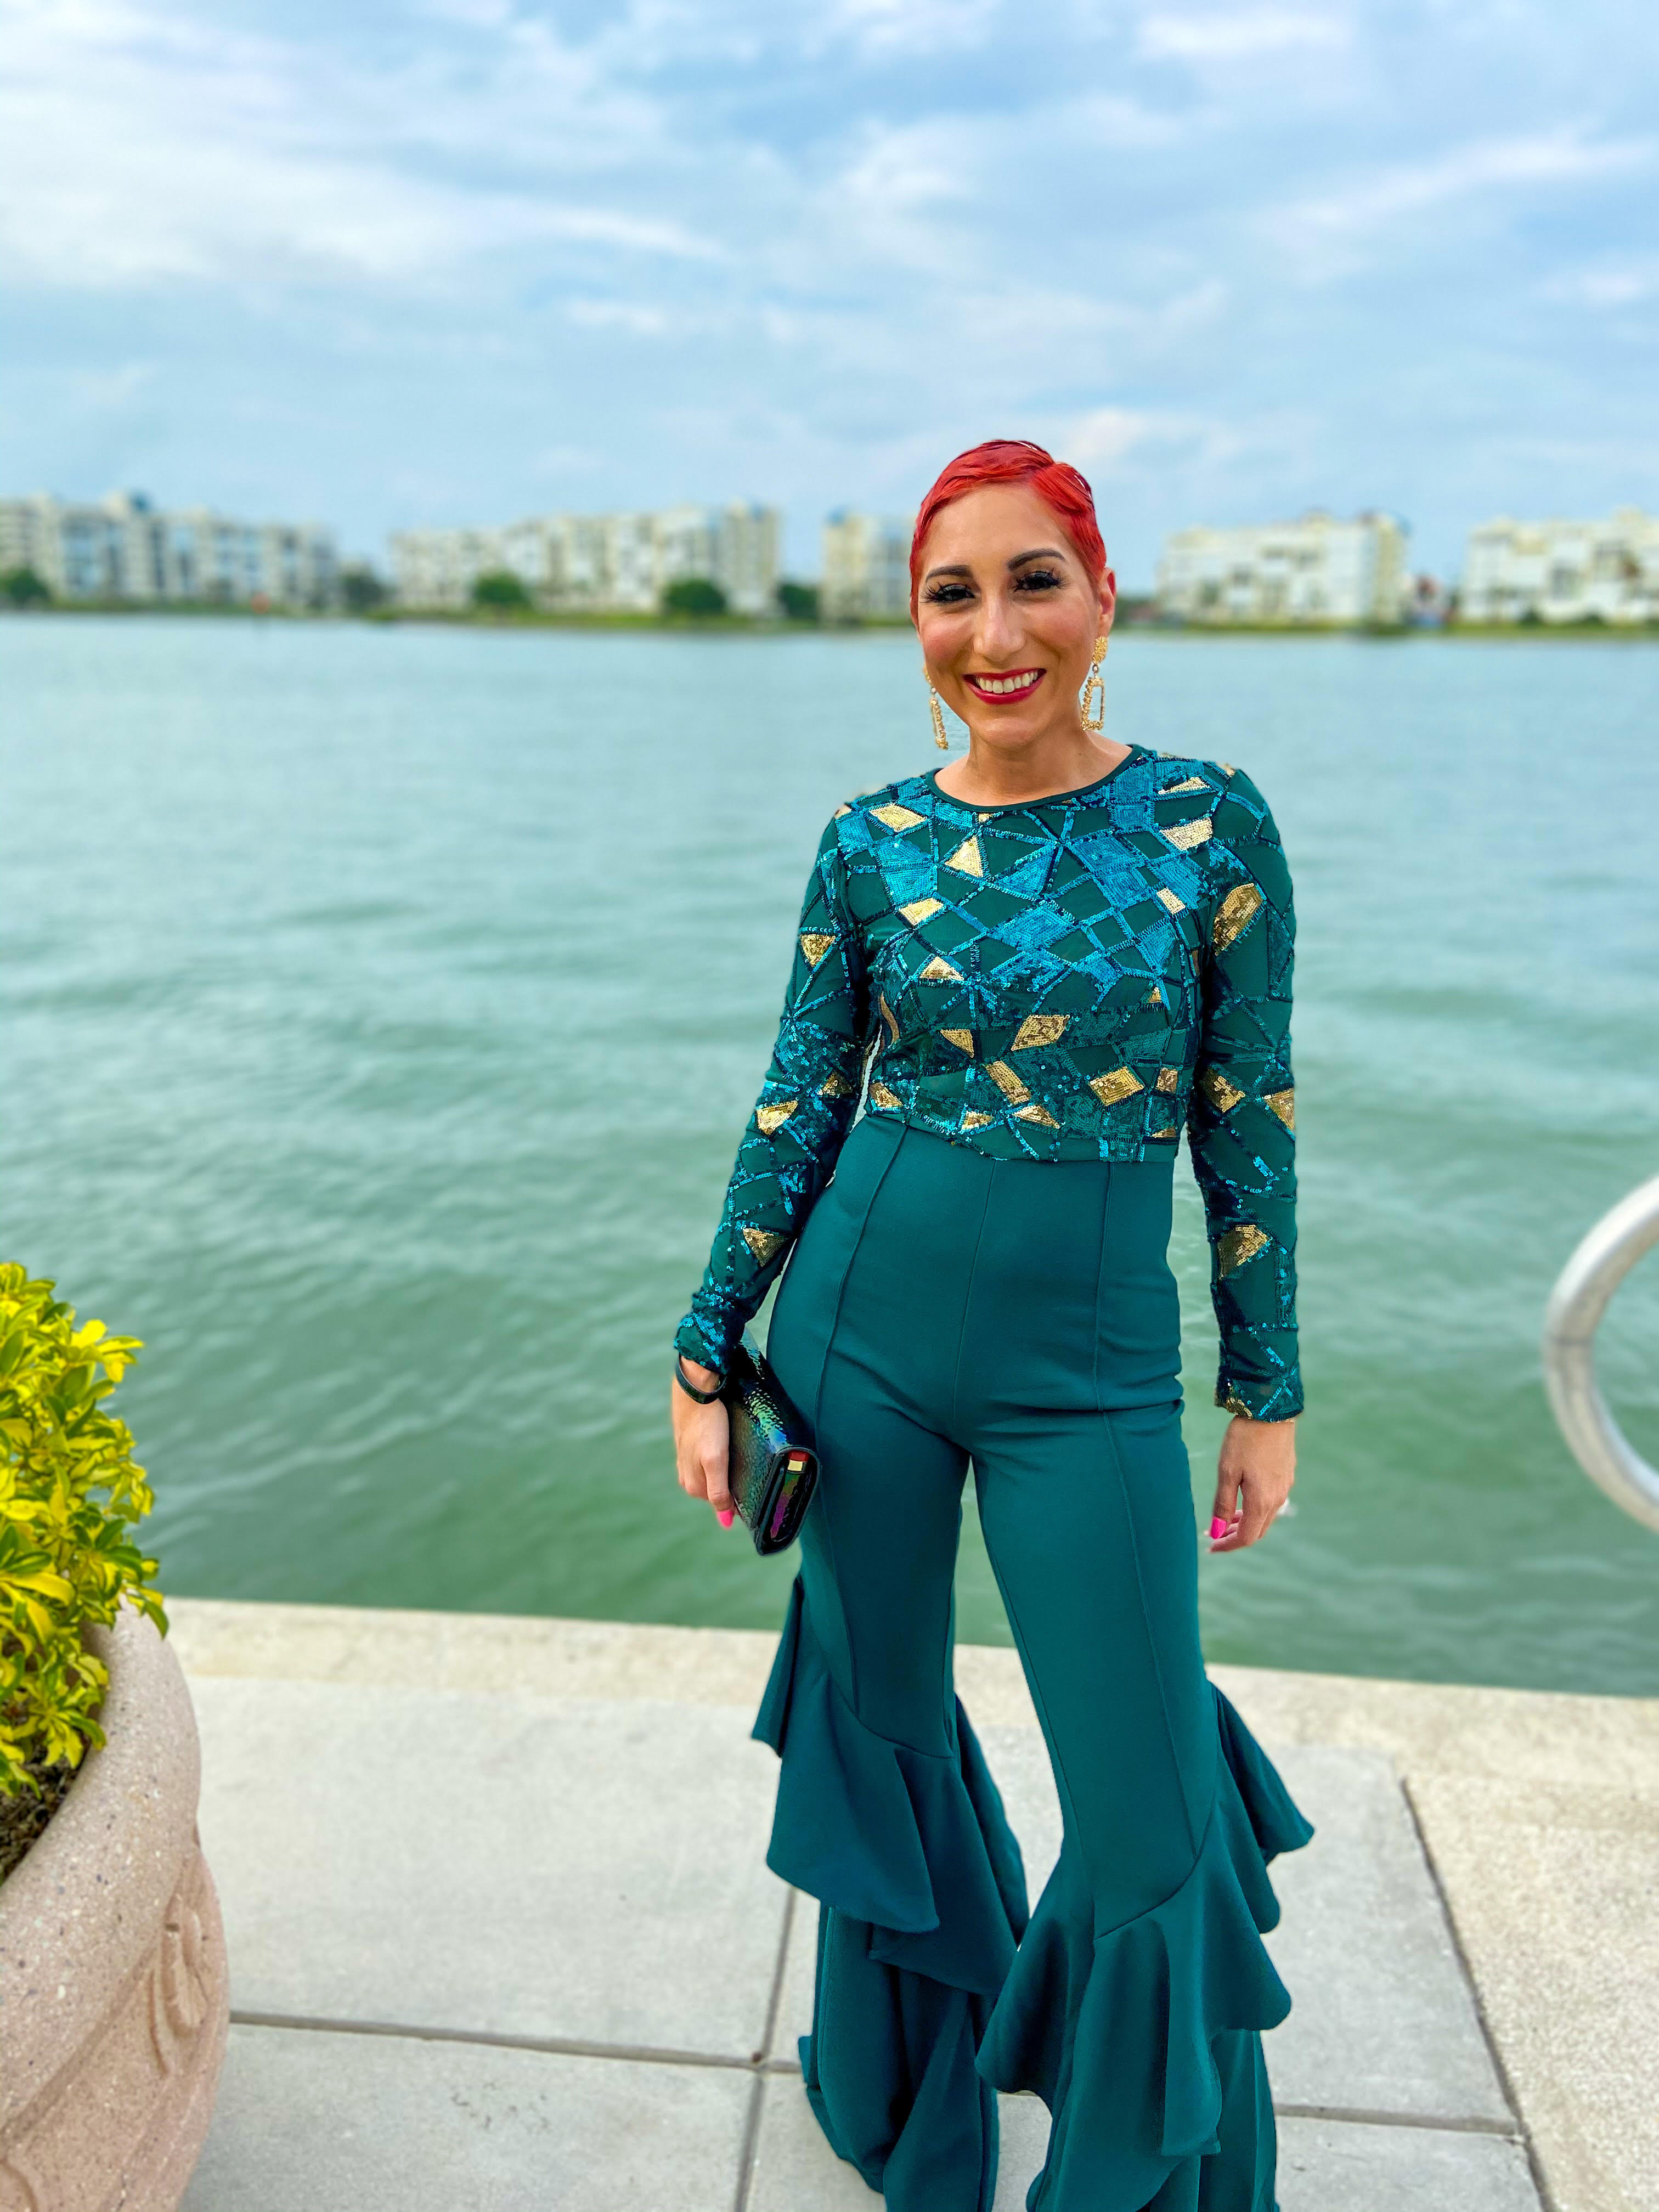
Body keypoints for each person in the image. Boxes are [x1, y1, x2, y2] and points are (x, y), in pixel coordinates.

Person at [670, 439, 1311, 2212]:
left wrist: (1265, 1389)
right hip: (858, 1335)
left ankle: (1138, 2175)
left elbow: (1247, 1118)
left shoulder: (1209, 822)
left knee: (1147, 1808)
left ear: (1103, 597)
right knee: (880, 1720)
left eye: (1035, 581)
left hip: (1090, 1376)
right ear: (917, 624)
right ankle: (908, 2106)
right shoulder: (869, 840)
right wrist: (707, 1345)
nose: (996, 631)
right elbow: (799, 1099)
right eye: (953, 593)